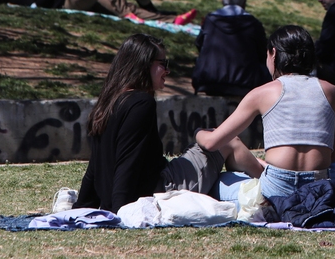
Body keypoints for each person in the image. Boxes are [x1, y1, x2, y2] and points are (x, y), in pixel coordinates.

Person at [196, 26, 335, 202]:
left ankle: (270, 205)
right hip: (317, 188)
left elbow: (212, 143)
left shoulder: (262, 93)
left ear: (273, 53)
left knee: (222, 180)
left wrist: (199, 133)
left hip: (276, 188)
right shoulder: (331, 92)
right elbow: (332, 157)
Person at [75, 35, 230, 212]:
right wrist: (120, 211)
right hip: (159, 190)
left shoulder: (108, 102)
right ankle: (266, 187)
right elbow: (129, 160)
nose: (167, 71)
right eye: (163, 63)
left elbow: (96, 165)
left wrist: (82, 206)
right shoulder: (141, 104)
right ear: (144, 64)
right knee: (226, 141)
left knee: (221, 144)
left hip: (130, 193)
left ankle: (261, 176)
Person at [192, 0, 272, 98]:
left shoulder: (210, 20)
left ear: (222, 1)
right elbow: (263, 54)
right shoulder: (253, 24)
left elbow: (199, 45)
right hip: (245, 83)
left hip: (209, 82)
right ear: (244, 3)